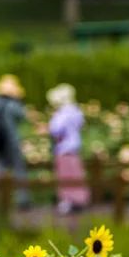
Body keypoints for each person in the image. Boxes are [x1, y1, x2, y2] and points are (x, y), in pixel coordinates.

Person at [0, 75, 29, 208]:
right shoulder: (13, 104)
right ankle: (22, 200)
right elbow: (22, 116)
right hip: (11, 140)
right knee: (18, 169)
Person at [47, 84, 90, 215]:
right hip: (74, 147)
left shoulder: (62, 113)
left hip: (64, 148)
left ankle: (68, 201)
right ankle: (79, 199)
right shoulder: (76, 111)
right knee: (76, 174)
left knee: (65, 176)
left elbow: (55, 129)